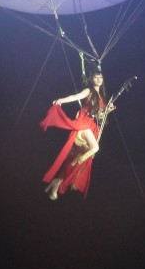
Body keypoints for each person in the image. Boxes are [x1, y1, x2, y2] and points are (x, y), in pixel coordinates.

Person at [40, 71, 114, 200]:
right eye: (96, 77)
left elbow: (99, 116)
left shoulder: (100, 97)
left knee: (86, 153)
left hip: (91, 125)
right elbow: (76, 96)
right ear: (92, 79)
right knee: (95, 148)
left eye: (100, 77)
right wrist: (61, 100)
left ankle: (57, 181)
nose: (98, 79)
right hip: (83, 123)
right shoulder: (89, 90)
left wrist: (107, 111)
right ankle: (75, 161)